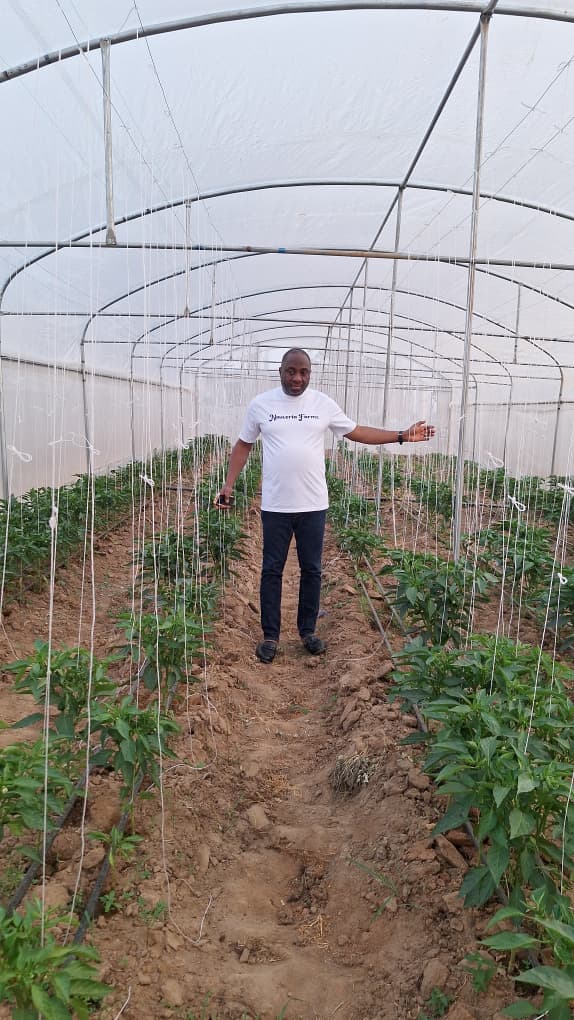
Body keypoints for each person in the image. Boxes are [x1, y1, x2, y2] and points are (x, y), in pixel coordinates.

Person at [216, 348, 435, 663]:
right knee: (272, 570)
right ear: (280, 371)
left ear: (310, 373)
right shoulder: (261, 405)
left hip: (313, 504)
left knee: (312, 570)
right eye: (291, 371)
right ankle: (270, 636)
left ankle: (307, 632)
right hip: (276, 505)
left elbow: (357, 432)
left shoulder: (322, 404)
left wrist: (401, 435)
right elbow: (244, 444)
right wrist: (228, 484)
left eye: (303, 372)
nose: (297, 378)